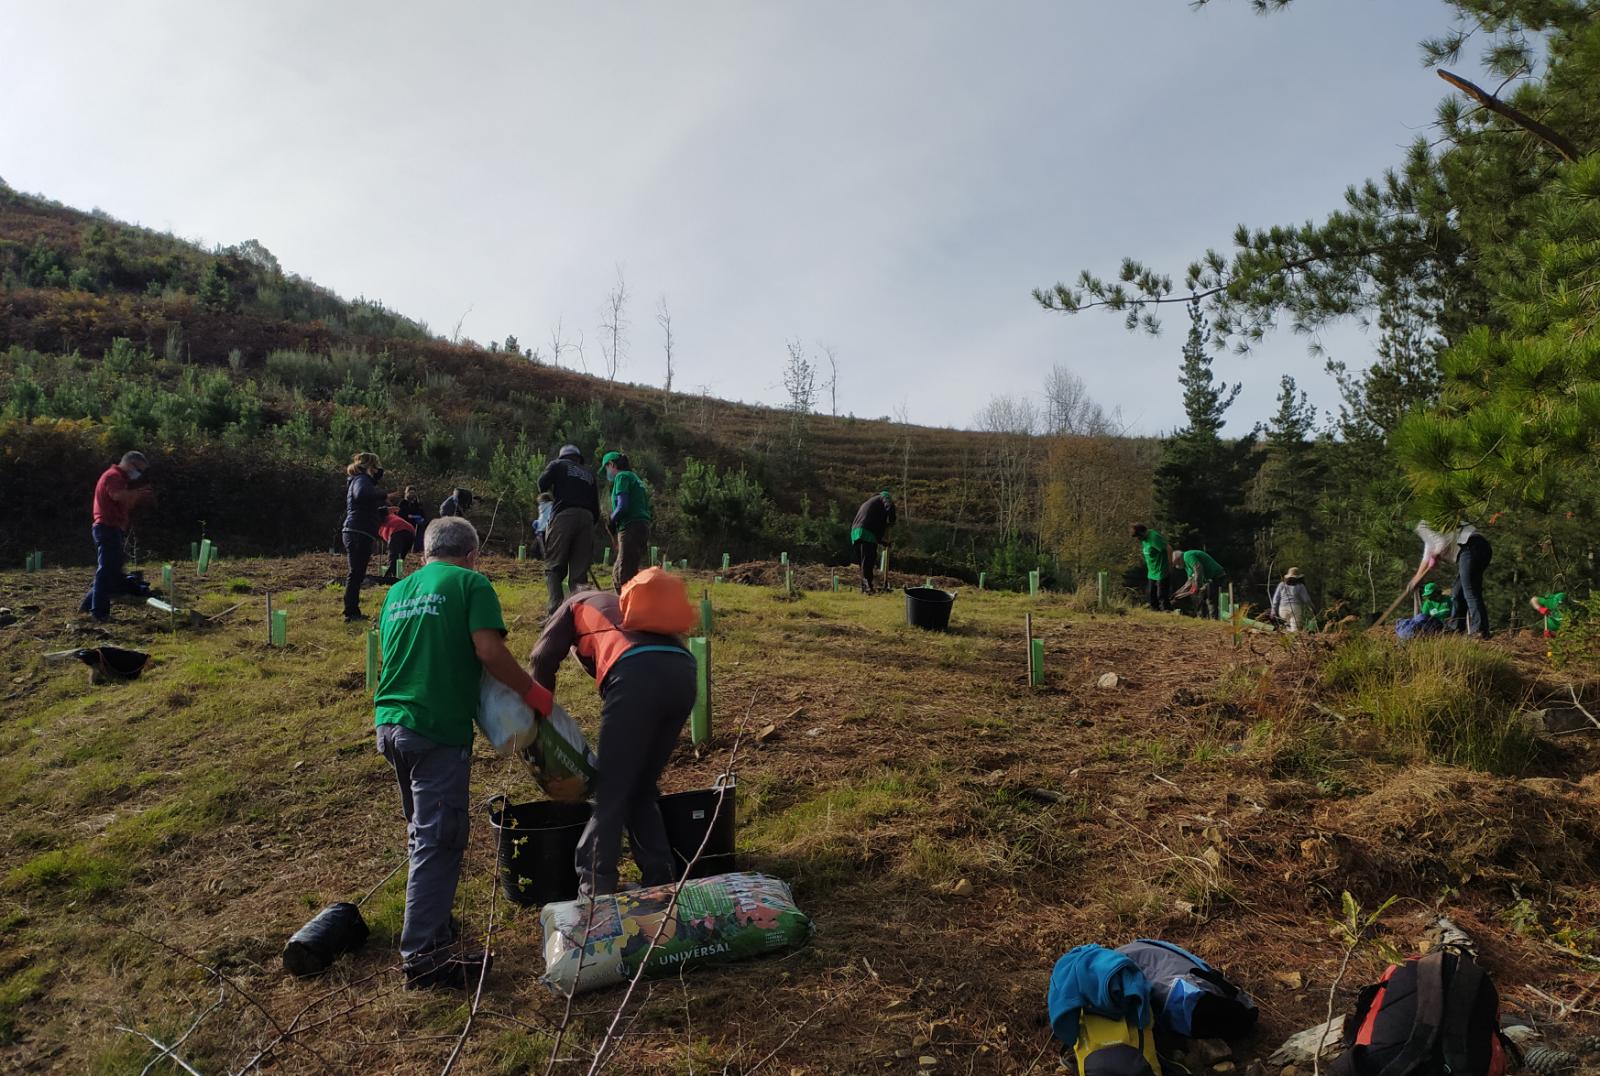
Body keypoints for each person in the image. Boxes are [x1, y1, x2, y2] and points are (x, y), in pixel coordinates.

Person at [375, 516, 552, 989]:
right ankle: (424, 956)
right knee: (441, 838)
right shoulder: (471, 583)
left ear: (422, 554)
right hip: (435, 729)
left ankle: (434, 923)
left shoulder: (397, 593)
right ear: (473, 554)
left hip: (390, 724)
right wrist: (533, 694)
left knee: (422, 832)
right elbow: (488, 650)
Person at [530, 581, 696, 897]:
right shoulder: (629, 607)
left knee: (611, 789)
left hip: (636, 672)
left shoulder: (575, 603)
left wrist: (541, 721)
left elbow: (541, 658)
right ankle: (660, 880)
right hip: (683, 672)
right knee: (641, 787)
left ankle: (594, 890)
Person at [78, 450, 154, 622]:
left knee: (111, 572)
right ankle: (99, 613)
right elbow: (116, 495)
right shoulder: (114, 476)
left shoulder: (122, 480)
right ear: (129, 463)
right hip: (107, 528)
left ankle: (87, 607)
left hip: (113, 528)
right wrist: (137, 493)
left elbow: (125, 503)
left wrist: (137, 497)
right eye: (138, 470)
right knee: (106, 571)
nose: (138, 474)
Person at [537, 445, 601, 616]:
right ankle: (580, 616)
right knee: (579, 574)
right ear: (578, 458)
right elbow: (596, 507)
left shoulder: (558, 465)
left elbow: (541, 485)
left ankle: (556, 614)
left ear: (563, 456)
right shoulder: (589, 474)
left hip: (565, 516)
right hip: (587, 519)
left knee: (554, 567)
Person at [1411, 522, 1493, 638]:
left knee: (1470, 591)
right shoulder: (1427, 524)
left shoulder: (1424, 523)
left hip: (1471, 546)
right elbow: (1428, 551)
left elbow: (1441, 543)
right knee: (1457, 592)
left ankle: (1480, 630)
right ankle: (1456, 629)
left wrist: (1435, 555)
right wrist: (1417, 577)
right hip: (1479, 548)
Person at [342, 452, 391, 623]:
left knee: (357, 573)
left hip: (358, 531)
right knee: (356, 573)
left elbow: (366, 508)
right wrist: (384, 495)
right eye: (377, 466)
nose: (379, 470)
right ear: (371, 467)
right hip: (357, 532)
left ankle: (352, 610)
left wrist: (385, 511)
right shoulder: (362, 480)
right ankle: (351, 612)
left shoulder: (360, 480)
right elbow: (362, 495)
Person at [601, 452, 652, 591]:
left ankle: (630, 608)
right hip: (642, 526)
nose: (607, 472)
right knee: (620, 571)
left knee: (625, 575)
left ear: (611, 464)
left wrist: (612, 519)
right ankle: (624, 604)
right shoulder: (635, 478)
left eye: (606, 468)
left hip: (630, 527)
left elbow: (623, 506)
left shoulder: (622, 476)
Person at [850, 491, 897, 594]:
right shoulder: (884, 496)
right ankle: (868, 589)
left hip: (855, 533)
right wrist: (892, 519)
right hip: (866, 532)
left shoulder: (869, 503)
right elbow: (888, 504)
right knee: (868, 561)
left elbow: (871, 523)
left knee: (863, 563)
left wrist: (883, 542)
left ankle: (865, 587)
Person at [1171, 547, 1226, 619]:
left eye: (1176, 564)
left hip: (1215, 577)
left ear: (1179, 559)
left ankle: (1213, 620)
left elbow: (1198, 568)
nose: (1176, 566)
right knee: (1199, 597)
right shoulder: (1187, 566)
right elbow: (1189, 582)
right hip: (1208, 579)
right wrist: (1177, 594)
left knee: (1209, 597)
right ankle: (1202, 618)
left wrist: (1197, 586)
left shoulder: (1187, 556)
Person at [1130, 524, 1169, 611]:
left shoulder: (1154, 537)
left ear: (1142, 532)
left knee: (1161, 595)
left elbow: (1168, 548)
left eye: (1138, 536)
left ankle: (1166, 612)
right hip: (1152, 571)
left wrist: (1170, 566)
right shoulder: (1144, 539)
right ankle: (1155, 612)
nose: (1138, 539)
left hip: (1161, 570)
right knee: (1151, 595)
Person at [379, 508, 417, 582]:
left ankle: (388, 580)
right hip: (410, 531)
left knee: (394, 557)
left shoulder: (375, 518)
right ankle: (397, 578)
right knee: (399, 559)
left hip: (397, 530)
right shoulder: (390, 516)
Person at [1270, 567, 1312, 632]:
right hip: (1295, 609)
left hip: (1282, 609)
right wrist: (1312, 607)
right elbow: (1306, 599)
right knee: (1295, 630)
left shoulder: (1281, 585)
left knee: (1287, 627)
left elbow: (1275, 599)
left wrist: (1273, 611)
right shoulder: (1300, 586)